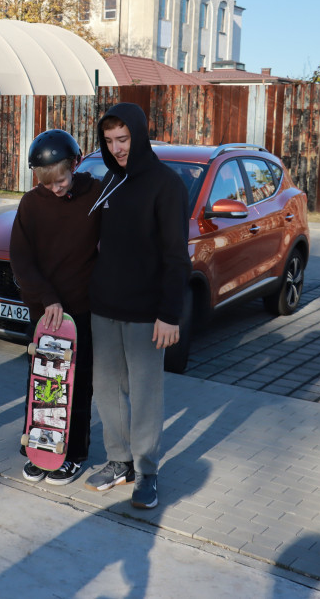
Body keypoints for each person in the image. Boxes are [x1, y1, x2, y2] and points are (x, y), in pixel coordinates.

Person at [83, 103, 190, 509]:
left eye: (123, 139)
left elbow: (177, 257)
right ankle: (119, 461)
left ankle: (147, 471)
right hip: (104, 306)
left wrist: (170, 314)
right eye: (109, 141)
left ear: (140, 135)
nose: (117, 148)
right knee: (107, 389)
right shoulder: (110, 181)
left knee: (145, 394)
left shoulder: (167, 185)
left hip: (148, 313)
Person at [9, 129, 102, 486]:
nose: (55, 188)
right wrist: (46, 298)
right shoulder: (32, 204)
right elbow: (21, 258)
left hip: (83, 310)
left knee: (77, 385)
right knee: (45, 382)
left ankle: (72, 452)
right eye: (46, 183)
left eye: (61, 180)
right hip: (47, 312)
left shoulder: (95, 195)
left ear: (75, 165)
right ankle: (40, 447)